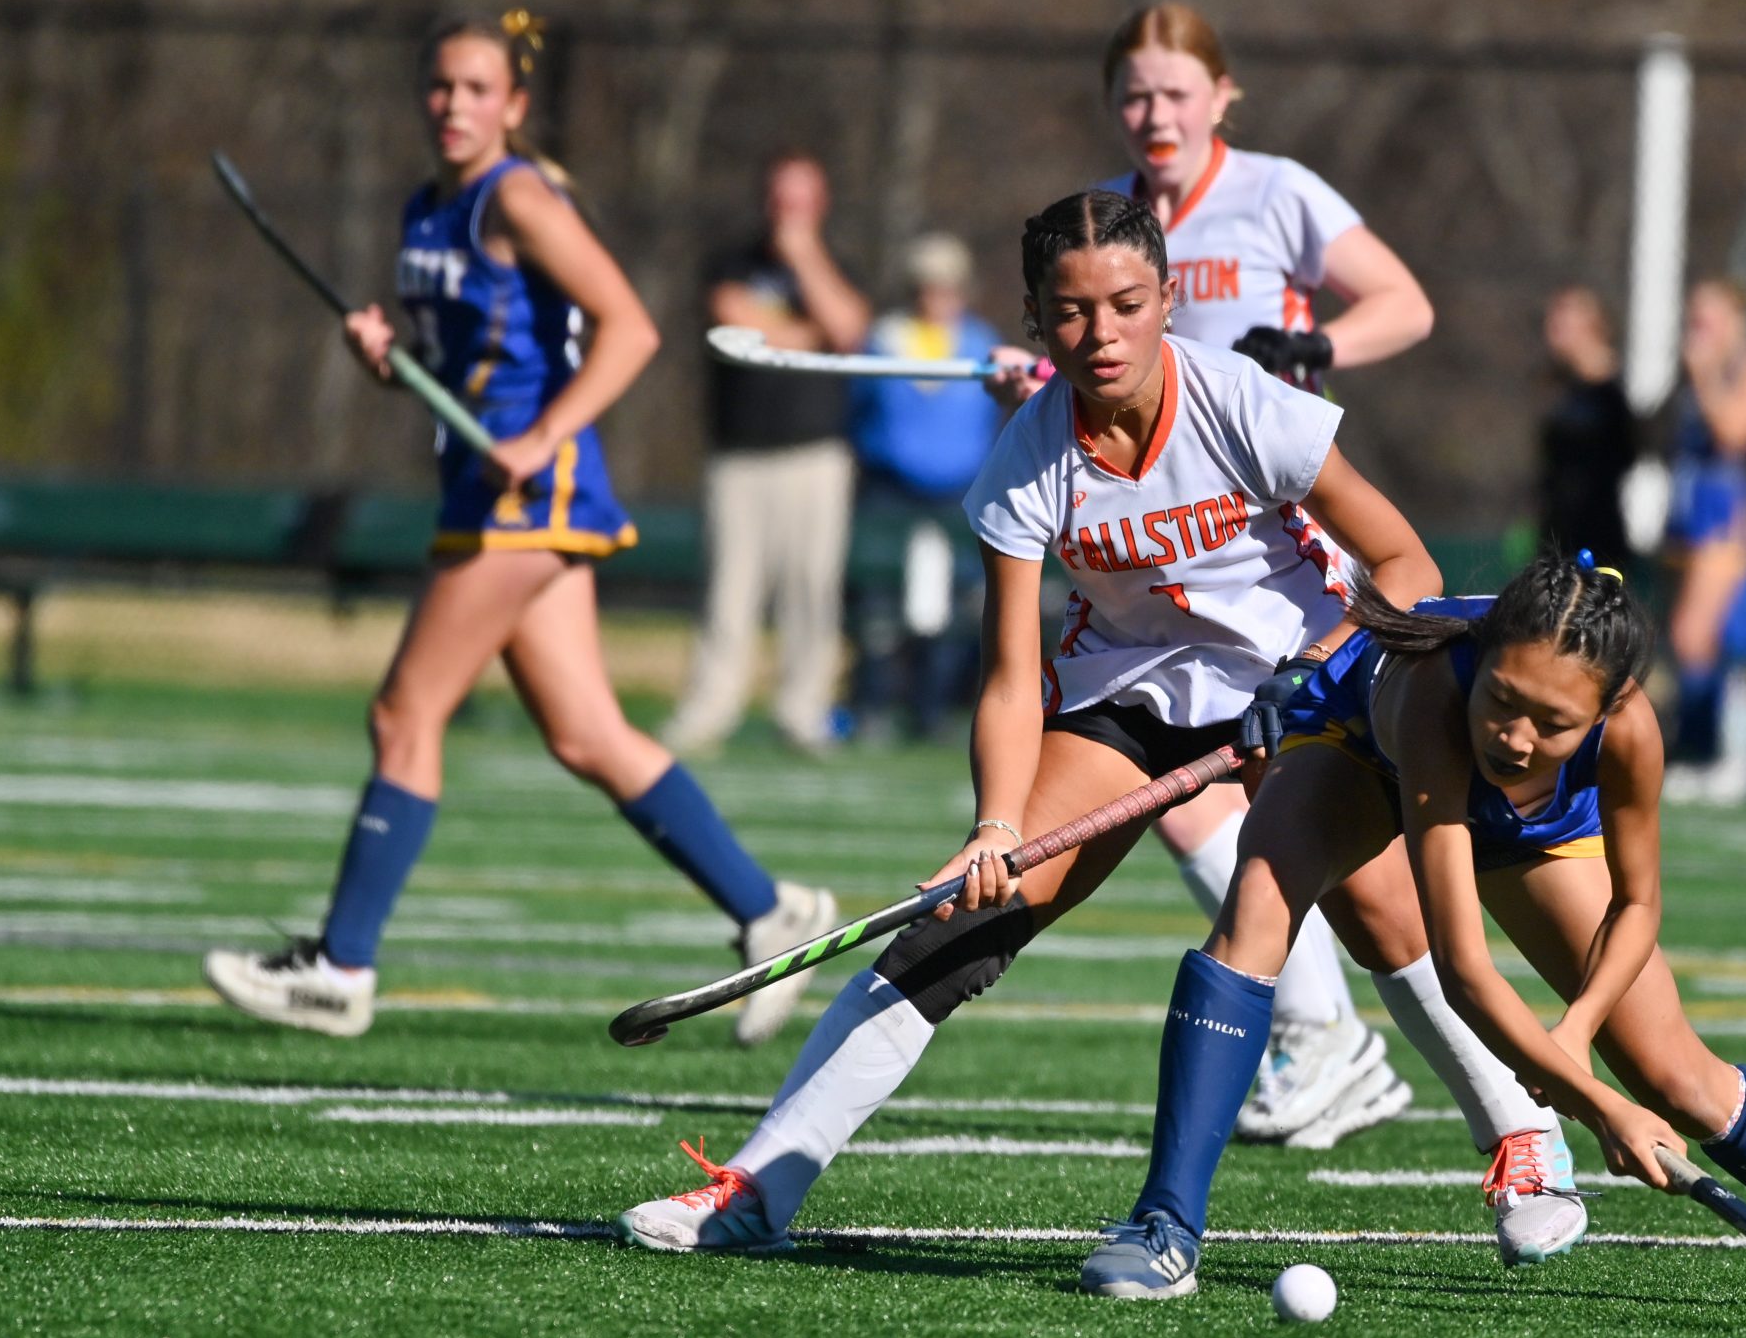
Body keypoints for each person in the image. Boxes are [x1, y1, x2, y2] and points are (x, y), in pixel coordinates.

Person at [614, 190, 1589, 1268]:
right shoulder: (1026, 463)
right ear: (1035, 323)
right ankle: (759, 1187)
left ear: (1167, 300)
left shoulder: (1243, 405)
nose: (1101, 334)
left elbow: (1406, 566)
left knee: (1382, 917)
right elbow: (1008, 675)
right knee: (954, 933)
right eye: (1071, 313)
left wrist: (1310, 675)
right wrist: (992, 826)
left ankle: (1523, 1133)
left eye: (1127, 304)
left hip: (1306, 676)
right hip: (1126, 695)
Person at [1078, 554, 1746, 1317]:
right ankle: (1163, 1229)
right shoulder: (1443, 696)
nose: (1514, 736)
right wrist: (1595, 1105)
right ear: (1486, 660)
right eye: (1505, 701)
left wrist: (1579, 1037)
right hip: (1360, 749)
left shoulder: (1630, 731)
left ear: (1605, 708)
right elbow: (1466, 969)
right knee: (1257, 912)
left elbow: (1637, 908)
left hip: (1533, 826)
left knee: (1674, 1074)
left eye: (1553, 723)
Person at [201, 14, 833, 1046]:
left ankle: (341, 966)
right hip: (479, 488)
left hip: (530, 497)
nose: (454, 104)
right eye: (440, 87)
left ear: (514, 105)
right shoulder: (427, 207)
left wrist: (544, 435)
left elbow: (632, 328)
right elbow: (464, 355)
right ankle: (770, 910)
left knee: (405, 713)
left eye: (476, 88)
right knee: (587, 735)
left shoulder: (521, 197)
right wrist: (390, 353)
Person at [992, 2, 1442, 1148]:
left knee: (1344, 850)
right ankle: (1316, 1027)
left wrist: (1317, 351)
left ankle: (1472, 1096)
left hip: (1273, 535)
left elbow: (1406, 304)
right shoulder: (1108, 220)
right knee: (1183, 785)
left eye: (1176, 94)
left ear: (1221, 96)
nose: (1154, 115)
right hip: (1162, 548)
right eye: (1135, 96)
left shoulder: (1278, 192)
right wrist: (1039, 382)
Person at [660, 151, 872, 757]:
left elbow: (848, 329)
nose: (790, 213)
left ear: (820, 205)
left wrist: (805, 259)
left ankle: (803, 711)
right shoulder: (731, 261)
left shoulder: (837, 265)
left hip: (817, 456)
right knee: (729, 590)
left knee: (812, 588)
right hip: (739, 455)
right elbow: (734, 323)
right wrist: (807, 336)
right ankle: (709, 709)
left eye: (801, 201)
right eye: (782, 199)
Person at [845, 232, 1009, 743]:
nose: (936, 297)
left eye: (946, 286)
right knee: (878, 607)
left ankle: (932, 711)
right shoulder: (884, 337)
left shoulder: (982, 343)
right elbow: (859, 406)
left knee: (955, 607)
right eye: (926, 286)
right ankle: (871, 707)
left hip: (958, 493)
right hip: (889, 490)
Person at [1659, 280, 1746, 806]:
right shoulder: (1691, 369)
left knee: (1702, 638)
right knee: (1695, 644)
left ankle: (1735, 756)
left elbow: (1735, 432)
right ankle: (1710, 752)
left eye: (1710, 318)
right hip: (1690, 516)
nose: (1700, 329)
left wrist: (1707, 375)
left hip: (1728, 518)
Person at [1535, 286, 1635, 566]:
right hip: (1557, 530)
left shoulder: (1611, 392)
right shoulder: (1561, 387)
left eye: (1562, 323)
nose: (1551, 330)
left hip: (1597, 534)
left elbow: (1625, 454)